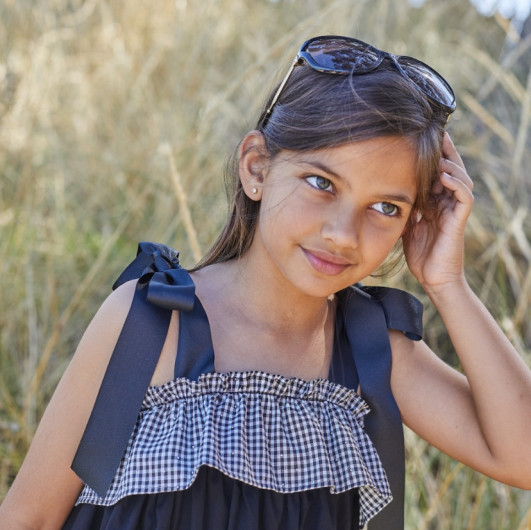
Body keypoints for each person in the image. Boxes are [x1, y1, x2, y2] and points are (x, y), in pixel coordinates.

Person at [0, 36, 530, 530]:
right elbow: (29, 519)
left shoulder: (373, 353)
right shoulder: (148, 323)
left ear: (414, 220)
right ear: (256, 167)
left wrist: (448, 283)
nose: (343, 235)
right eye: (322, 183)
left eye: (386, 207)